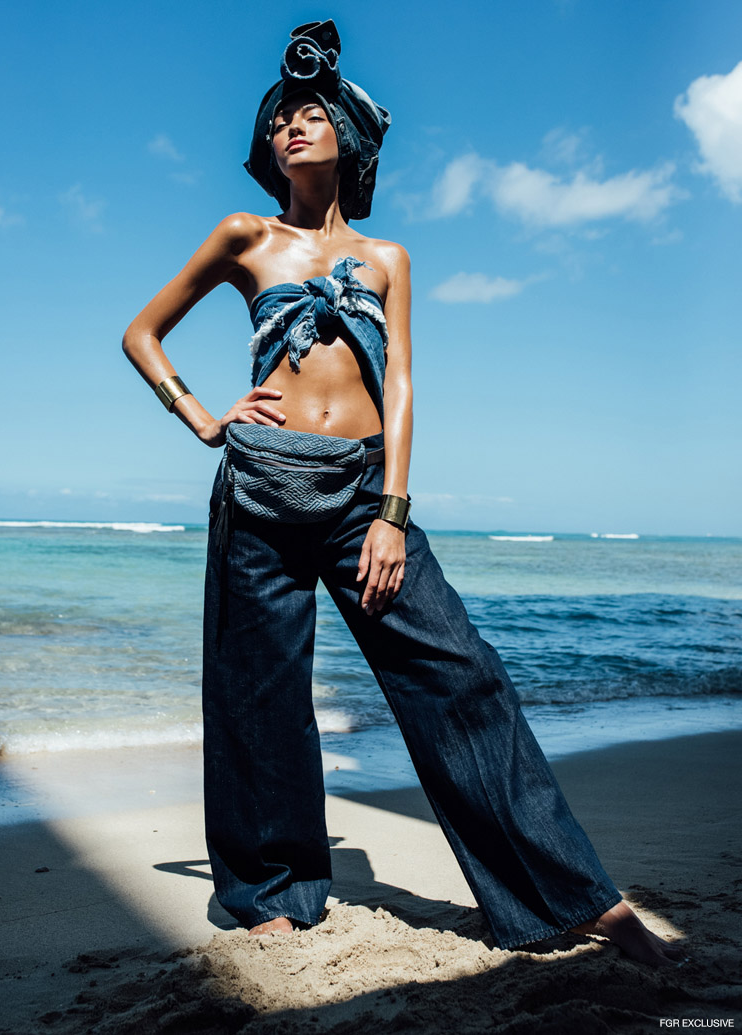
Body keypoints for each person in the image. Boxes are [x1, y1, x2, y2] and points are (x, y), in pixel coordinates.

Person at [122, 20, 685, 967]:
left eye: (311, 113)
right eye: (279, 121)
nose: (291, 128)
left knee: (461, 678)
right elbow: (142, 333)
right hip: (260, 485)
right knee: (258, 698)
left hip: (359, 495)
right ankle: (272, 892)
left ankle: (566, 895)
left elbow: (405, 384)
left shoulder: (389, 259)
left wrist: (392, 511)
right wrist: (205, 419)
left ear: (348, 133)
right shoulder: (244, 235)